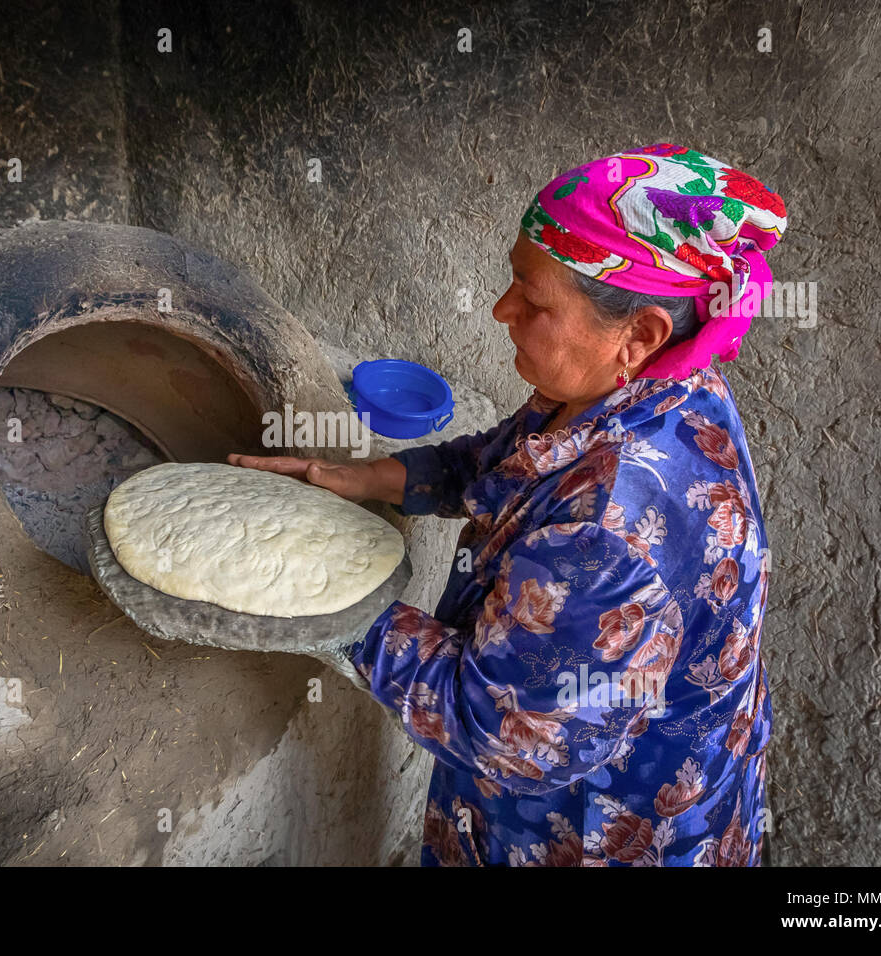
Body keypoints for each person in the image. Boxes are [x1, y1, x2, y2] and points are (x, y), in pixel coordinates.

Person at [229, 143, 786, 866]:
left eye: (534, 300)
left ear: (639, 331)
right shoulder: (653, 383)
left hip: (602, 830)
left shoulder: (613, 527)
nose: (500, 309)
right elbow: (513, 457)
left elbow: (492, 723)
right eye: (513, 280)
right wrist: (372, 479)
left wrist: (319, 586)